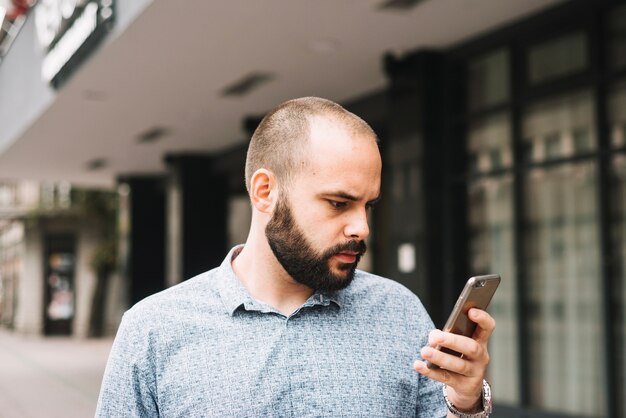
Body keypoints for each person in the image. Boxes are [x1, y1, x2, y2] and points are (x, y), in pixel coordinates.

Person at [96, 97, 496, 417]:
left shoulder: (399, 312)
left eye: (368, 206)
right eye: (339, 203)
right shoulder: (153, 330)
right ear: (265, 192)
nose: (362, 228)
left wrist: (465, 403)